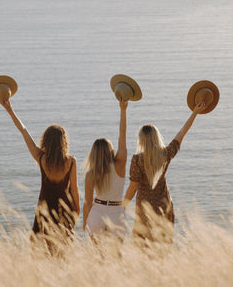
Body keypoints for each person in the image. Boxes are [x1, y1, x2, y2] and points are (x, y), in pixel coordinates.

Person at [0, 99, 80, 249]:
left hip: (44, 212)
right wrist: (77, 210)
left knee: (40, 251)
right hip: (65, 212)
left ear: (46, 141)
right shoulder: (71, 162)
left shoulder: (41, 159)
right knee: (63, 252)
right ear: (64, 142)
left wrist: (10, 110)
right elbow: (74, 190)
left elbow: (24, 131)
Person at [123, 101, 206, 243]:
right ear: (156, 139)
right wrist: (194, 113)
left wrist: (121, 206)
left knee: (141, 247)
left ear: (141, 141)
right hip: (164, 207)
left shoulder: (137, 160)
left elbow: (133, 187)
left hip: (144, 210)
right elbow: (181, 133)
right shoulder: (165, 154)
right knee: (164, 247)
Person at [83, 98, 128, 240]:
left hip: (97, 212)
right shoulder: (120, 165)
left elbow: (87, 202)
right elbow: (123, 135)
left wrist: (86, 222)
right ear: (110, 151)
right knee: (116, 257)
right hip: (116, 212)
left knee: (98, 257)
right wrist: (123, 110)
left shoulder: (91, 174)